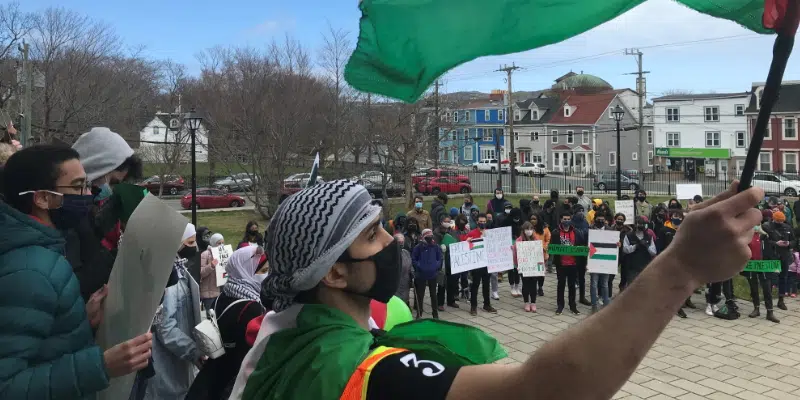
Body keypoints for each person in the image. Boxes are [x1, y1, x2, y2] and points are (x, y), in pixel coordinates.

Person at [228, 178, 764, 400]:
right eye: (373, 235)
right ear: (334, 274)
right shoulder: (348, 369)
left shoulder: (288, 342)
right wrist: (682, 268)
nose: (393, 241)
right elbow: (541, 390)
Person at [0, 145, 153, 398]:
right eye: (78, 186)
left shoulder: (42, 252)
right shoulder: (31, 271)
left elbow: (38, 339)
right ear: (42, 198)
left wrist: (80, 318)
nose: (88, 194)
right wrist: (101, 366)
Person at [69, 127, 146, 302]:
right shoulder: (68, 215)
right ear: (95, 168)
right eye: (112, 182)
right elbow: (77, 280)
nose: (111, 191)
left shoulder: (94, 210)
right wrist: (120, 257)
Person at [187, 246, 267, 400]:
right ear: (244, 270)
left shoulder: (222, 296)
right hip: (232, 381)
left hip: (211, 373)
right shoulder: (252, 308)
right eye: (262, 271)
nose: (266, 276)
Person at [146, 224, 205, 399]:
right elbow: (165, 328)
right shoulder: (168, 278)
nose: (194, 247)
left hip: (178, 360)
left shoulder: (178, 268)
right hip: (169, 365)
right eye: (191, 242)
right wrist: (194, 352)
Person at [744, 215, 779, 323]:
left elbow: (776, 242)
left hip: (764, 264)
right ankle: (756, 308)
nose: (756, 226)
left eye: (758, 224)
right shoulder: (748, 235)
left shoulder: (766, 235)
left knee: (767, 288)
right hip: (752, 264)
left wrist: (766, 232)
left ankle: (770, 312)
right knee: (753, 287)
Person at [657, 209, 690, 318]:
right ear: (671, 217)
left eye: (680, 217)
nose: (677, 218)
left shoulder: (684, 231)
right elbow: (659, 247)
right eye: (675, 216)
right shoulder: (664, 230)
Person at [462, 213, 497, 315]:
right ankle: (473, 306)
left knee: (486, 284)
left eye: (484, 222)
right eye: (480, 222)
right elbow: (464, 245)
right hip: (476, 264)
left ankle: (487, 305)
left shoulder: (489, 233)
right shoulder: (472, 233)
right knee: (475, 285)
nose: (482, 223)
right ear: (477, 222)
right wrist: (467, 241)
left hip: (487, 263)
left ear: (487, 222)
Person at [552, 211, 585, 315]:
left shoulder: (576, 232)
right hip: (561, 264)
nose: (566, 221)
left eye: (568, 219)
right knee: (560, 285)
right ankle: (560, 306)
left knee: (572, 286)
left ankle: (573, 306)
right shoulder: (556, 232)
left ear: (571, 220)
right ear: (561, 220)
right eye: (564, 219)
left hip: (573, 264)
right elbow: (552, 246)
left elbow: (581, 246)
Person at [764, 210, 793, 311]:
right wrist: (776, 243)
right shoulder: (767, 227)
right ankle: (768, 301)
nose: (780, 223)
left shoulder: (787, 227)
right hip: (773, 256)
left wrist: (789, 243)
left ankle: (781, 300)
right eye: (778, 221)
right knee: (771, 279)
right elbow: (765, 241)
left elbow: (794, 241)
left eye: (782, 221)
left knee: (783, 277)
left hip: (784, 255)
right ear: (773, 219)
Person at [411, 229, 442, 319]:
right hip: (421, 275)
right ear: (423, 236)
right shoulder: (418, 247)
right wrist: (419, 266)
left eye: (431, 235)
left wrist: (436, 266)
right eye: (427, 235)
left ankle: (435, 314)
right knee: (420, 295)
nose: (430, 237)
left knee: (433, 295)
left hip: (433, 274)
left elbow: (439, 258)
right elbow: (414, 259)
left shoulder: (435, 246)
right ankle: (419, 313)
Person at [515, 222, 543, 312]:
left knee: (533, 285)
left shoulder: (536, 240)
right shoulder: (519, 240)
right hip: (524, 266)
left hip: (534, 267)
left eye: (531, 229)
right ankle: (526, 302)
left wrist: (541, 267)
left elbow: (539, 254)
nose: (529, 231)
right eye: (527, 229)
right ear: (523, 230)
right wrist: (517, 265)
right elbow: (516, 254)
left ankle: (533, 302)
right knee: (525, 285)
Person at [622, 216, 657, 287]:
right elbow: (625, 249)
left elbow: (654, 252)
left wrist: (647, 246)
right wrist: (635, 246)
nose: (641, 226)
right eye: (639, 224)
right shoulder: (629, 236)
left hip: (645, 266)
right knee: (631, 287)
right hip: (632, 267)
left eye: (642, 224)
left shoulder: (649, 236)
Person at [434, 216, 460, 309]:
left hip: (451, 259)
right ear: (441, 222)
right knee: (442, 282)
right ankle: (440, 303)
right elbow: (435, 245)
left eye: (449, 221)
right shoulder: (436, 232)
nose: (447, 223)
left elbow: (456, 241)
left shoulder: (452, 231)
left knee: (452, 281)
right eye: (445, 221)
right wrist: (440, 246)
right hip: (442, 260)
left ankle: (451, 300)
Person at [589, 214, 611, 313]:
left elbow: (613, 243)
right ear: (595, 220)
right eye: (599, 219)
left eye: (602, 220)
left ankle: (606, 303)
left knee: (605, 283)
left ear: (605, 220)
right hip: (594, 260)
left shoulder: (610, 230)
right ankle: (594, 304)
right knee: (593, 283)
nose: (600, 221)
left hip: (606, 260)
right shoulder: (590, 230)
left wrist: (618, 244)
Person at [500, 207, 524, 297]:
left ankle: (517, 286)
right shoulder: (505, 222)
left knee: (518, 268)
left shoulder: (521, 223)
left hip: (519, 246)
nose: (517, 218)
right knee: (511, 268)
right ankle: (512, 287)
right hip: (509, 247)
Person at [200, 233, 224, 311]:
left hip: (220, 291)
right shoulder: (205, 255)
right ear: (213, 243)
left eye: (223, 243)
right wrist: (211, 266)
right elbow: (201, 273)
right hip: (209, 294)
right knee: (210, 316)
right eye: (219, 243)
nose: (221, 245)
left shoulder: (223, 254)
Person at [572, 211, 592, 307]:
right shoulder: (571, 224)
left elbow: (589, 236)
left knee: (581, 277)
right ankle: (572, 298)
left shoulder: (586, 223)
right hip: (573, 253)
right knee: (572, 277)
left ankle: (582, 297)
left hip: (583, 253)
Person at [529, 213, 550, 297]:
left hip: (541, 254)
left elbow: (548, 240)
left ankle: (540, 287)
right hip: (530, 254)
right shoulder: (528, 228)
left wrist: (543, 248)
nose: (533, 220)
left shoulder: (545, 229)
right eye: (531, 219)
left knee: (540, 272)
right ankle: (532, 287)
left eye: (535, 219)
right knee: (532, 272)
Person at [394, 233, 414, 306]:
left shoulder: (406, 252)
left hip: (406, 281)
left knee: (405, 298)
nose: (401, 244)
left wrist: (412, 273)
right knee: (397, 301)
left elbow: (410, 264)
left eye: (402, 242)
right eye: (399, 242)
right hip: (396, 282)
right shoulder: (391, 254)